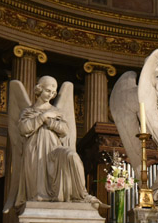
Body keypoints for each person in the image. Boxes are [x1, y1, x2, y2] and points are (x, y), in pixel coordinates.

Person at [11, 76, 97, 207]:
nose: (50, 94)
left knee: (72, 156)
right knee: (39, 187)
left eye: (53, 92)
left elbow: (64, 130)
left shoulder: (56, 111)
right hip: (35, 150)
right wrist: (43, 116)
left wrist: (48, 120)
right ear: (39, 89)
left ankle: (81, 195)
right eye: (47, 90)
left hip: (53, 149)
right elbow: (24, 129)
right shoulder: (28, 111)